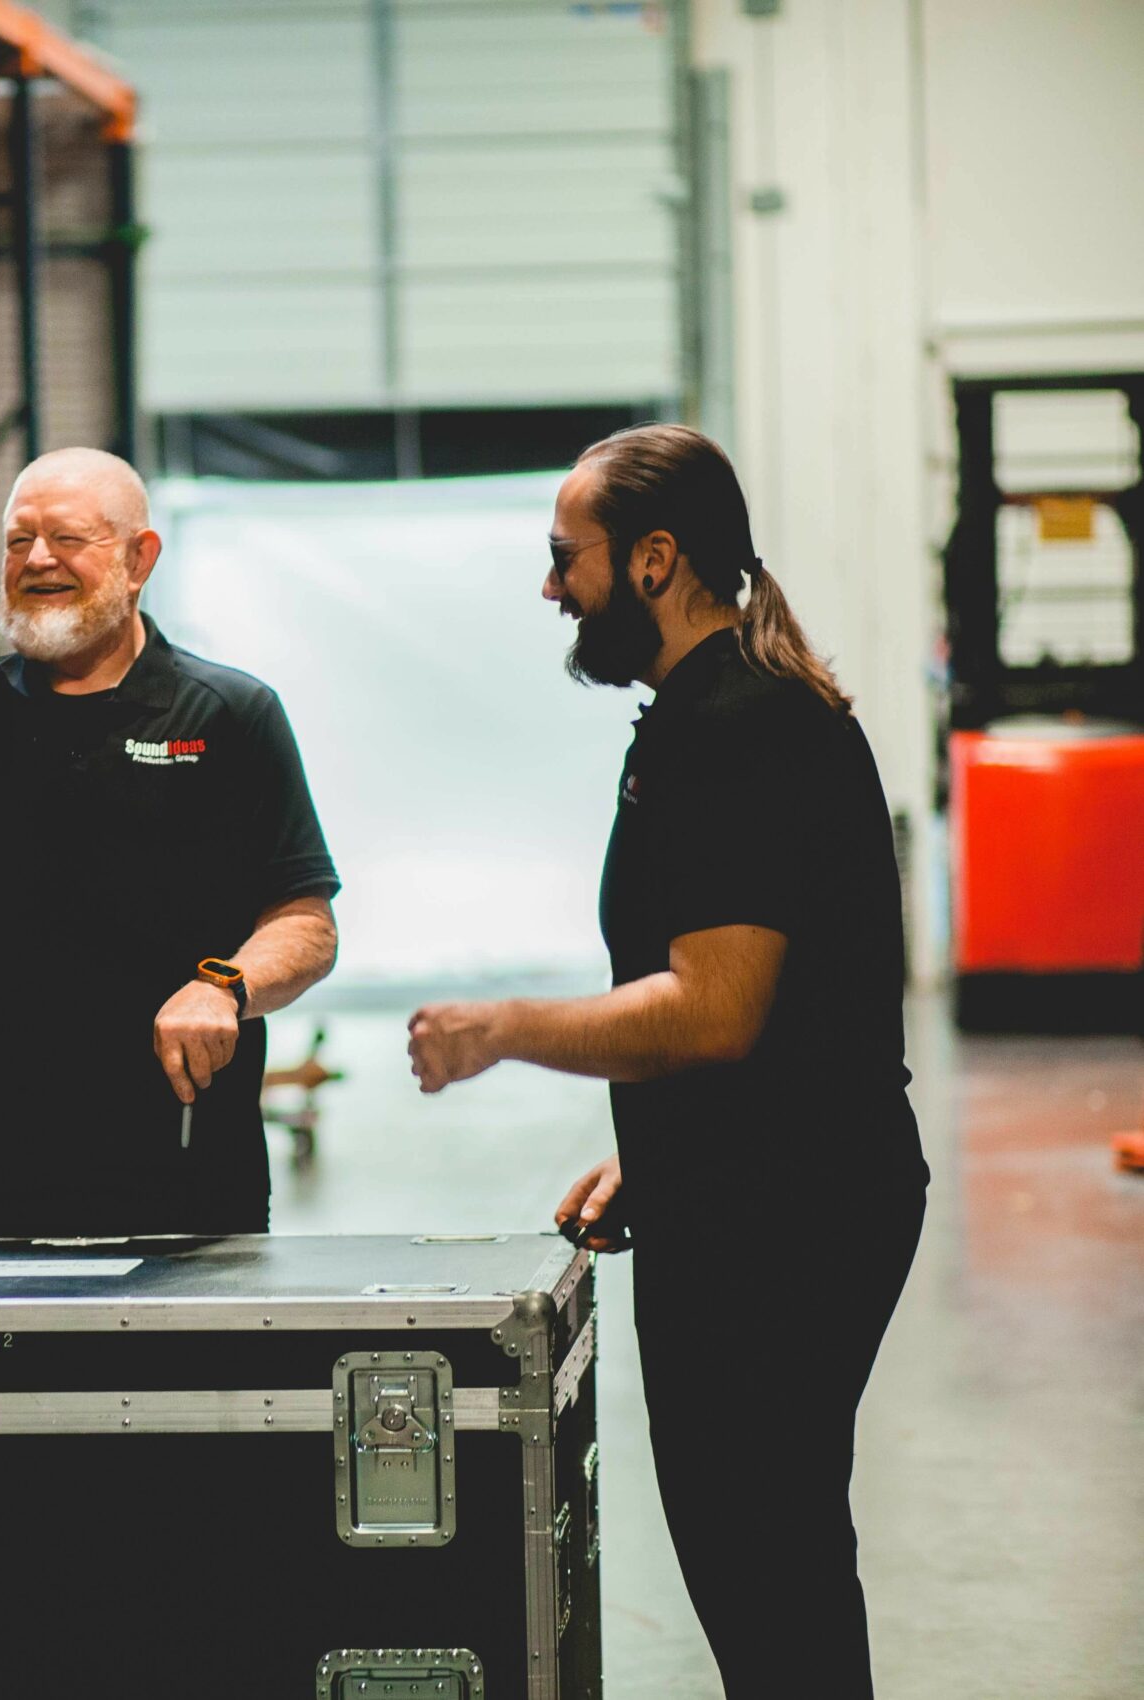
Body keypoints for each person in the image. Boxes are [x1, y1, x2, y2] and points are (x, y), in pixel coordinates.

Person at [405, 425, 927, 1697]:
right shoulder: (704, 711)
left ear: (653, 559)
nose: (550, 588)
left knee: (768, 1560)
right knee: (767, 1553)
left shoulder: (742, 726)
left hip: (792, 1214)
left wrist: (504, 1027)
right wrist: (661, 1147)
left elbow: (715, 1011)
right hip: (762, 1185)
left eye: (564, 557)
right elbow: (788, 1008)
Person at [0, 448, 340, 1246]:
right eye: (19, 541)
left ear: (139, 559)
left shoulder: (229, 715)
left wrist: (224, 986)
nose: (38, 559)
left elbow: (307, 924)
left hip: (193, 1193)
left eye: (68, 538)